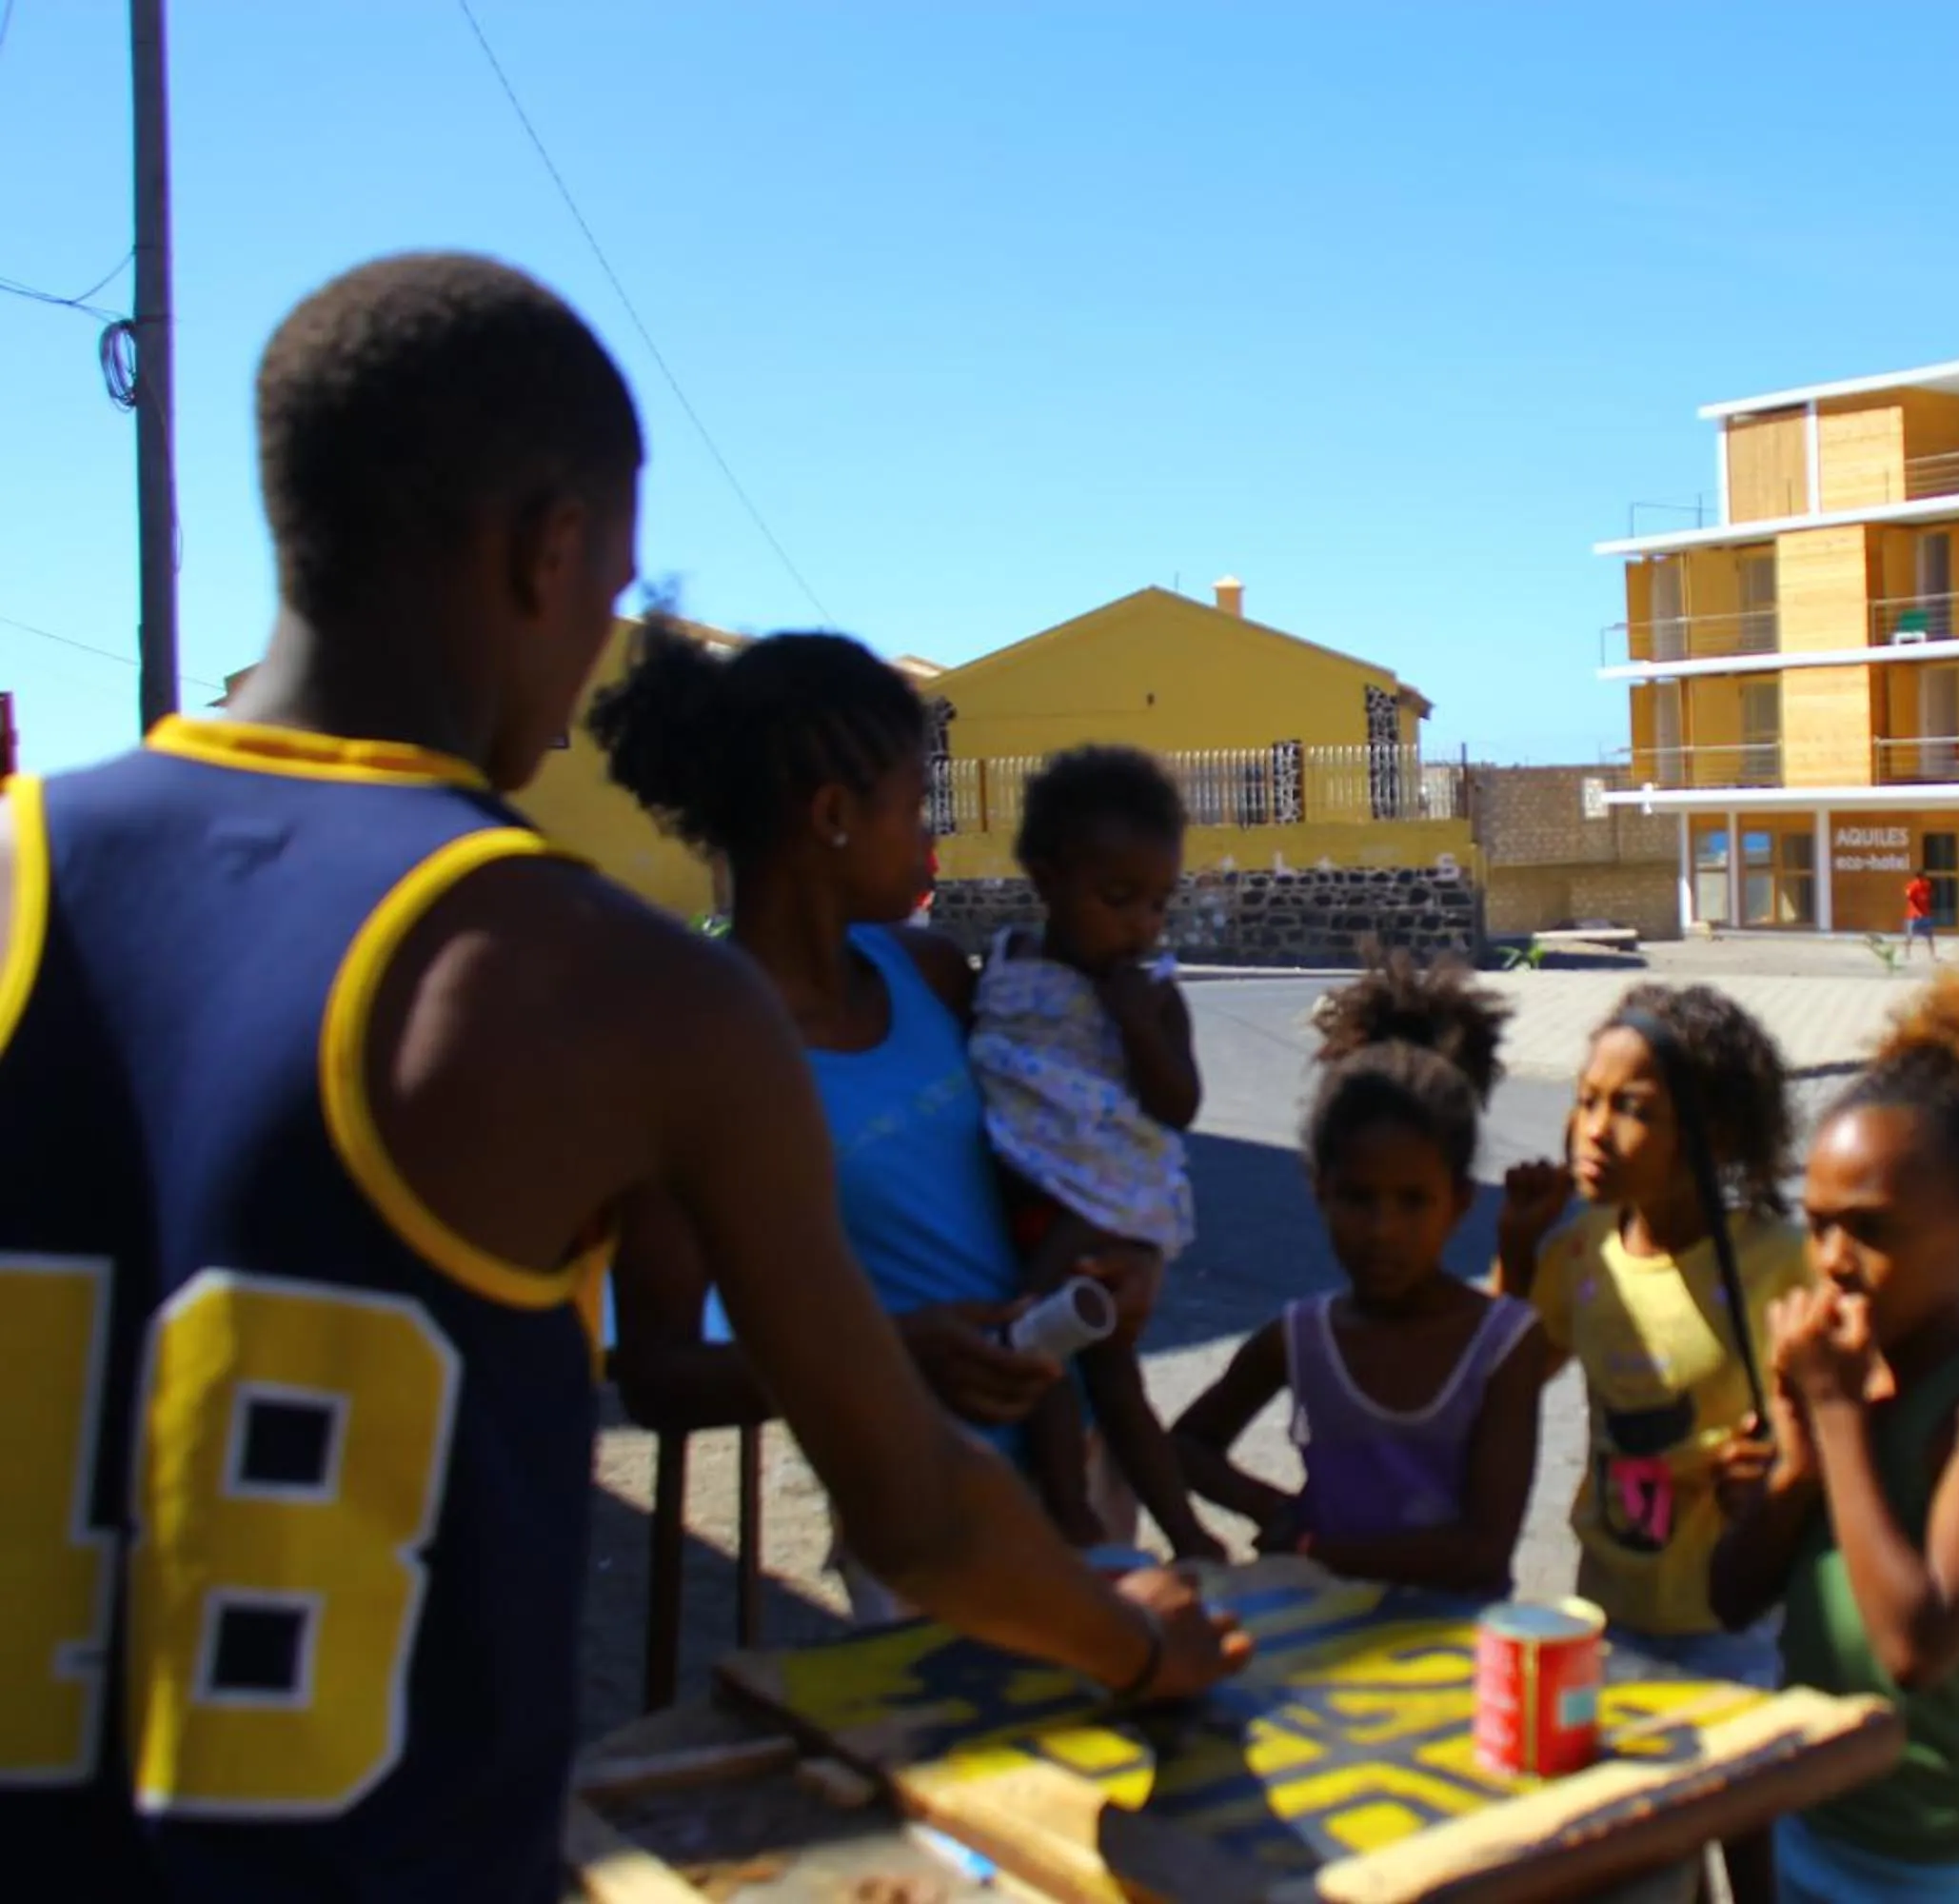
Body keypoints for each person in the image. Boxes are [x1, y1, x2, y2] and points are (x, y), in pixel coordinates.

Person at [0, 252, 1242, 1902]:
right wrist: (1130, 1638)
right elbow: (917, 1508)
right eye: (606, 589)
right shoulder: (599, 982)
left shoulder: (19, 869)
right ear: (549, 547)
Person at [584, 623, 1189, 1609]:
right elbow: (660, 1375)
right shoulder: (694, 1055)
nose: (927, 835)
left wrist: (1132, 1254)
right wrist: (891, 1350)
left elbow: (1060, 1153)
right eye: (913, 806)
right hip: (920, 1507)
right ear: (832, 814)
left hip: (1081, 1455)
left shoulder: (934, 976)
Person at [1709, 972, 1959, 1903]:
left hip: (1951, 1857)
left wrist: (1834, 1422)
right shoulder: (1834, 1376)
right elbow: (1730, 1596)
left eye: (1872, 1230)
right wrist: (1790, 1469)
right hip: (1815, 1817)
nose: (1833, 1260)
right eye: (1819, 1224)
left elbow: (1916, 1647)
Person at [1494, 983, 1809, 1904]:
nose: (1592, 1129)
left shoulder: (1776, 1261)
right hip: (1610, 1607)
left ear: (1715, 1137)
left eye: (1633, 1110)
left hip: (1728, 1620)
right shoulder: (1577, 1256)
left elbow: (1842, 1404)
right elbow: (1500, 1378)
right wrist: (1514, 1255)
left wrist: (1785, 1457)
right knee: (1646, 1845)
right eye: (1586, 1099)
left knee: (1744, 1817)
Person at [1174, 955, 1551, 1597]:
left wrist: (1317, 1547)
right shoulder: (1303, 1337)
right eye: (1358, 1199)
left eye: (1412, 1202)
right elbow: (1185, 1445)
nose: (1383, 1230)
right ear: (1319, 1192)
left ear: (1459, 1202)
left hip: (1452, 1664)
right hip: (1319, 1645)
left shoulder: (1502, 1348)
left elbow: (1480, 1554)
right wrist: (1272, 1508)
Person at [969, 744, 1220, 1561]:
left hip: (1105, 1196)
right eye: (1118, 899)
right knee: (1089, 1365)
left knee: (1046, 1332)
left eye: (1158, 903)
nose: (1143, 924)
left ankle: (1107, 1519)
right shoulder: (1008, 966)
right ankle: (1150, 1526)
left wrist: (1140, 1025)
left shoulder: (1150, 991)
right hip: (1029, 1190)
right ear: (1046, 879)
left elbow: (1177, 1105)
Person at [1903, 869, 1940, 961]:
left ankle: (1933, 955)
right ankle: (1906, 954)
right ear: (1918, 877)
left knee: (1929, 935)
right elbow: (1909, 897)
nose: (1924, 878)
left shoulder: (1927, 885)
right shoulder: (1912, 886)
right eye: (1922, 876)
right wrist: (1916, 911)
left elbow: (1930, 894)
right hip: (1913, 916)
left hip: (1925, 914)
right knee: (1910, 935)